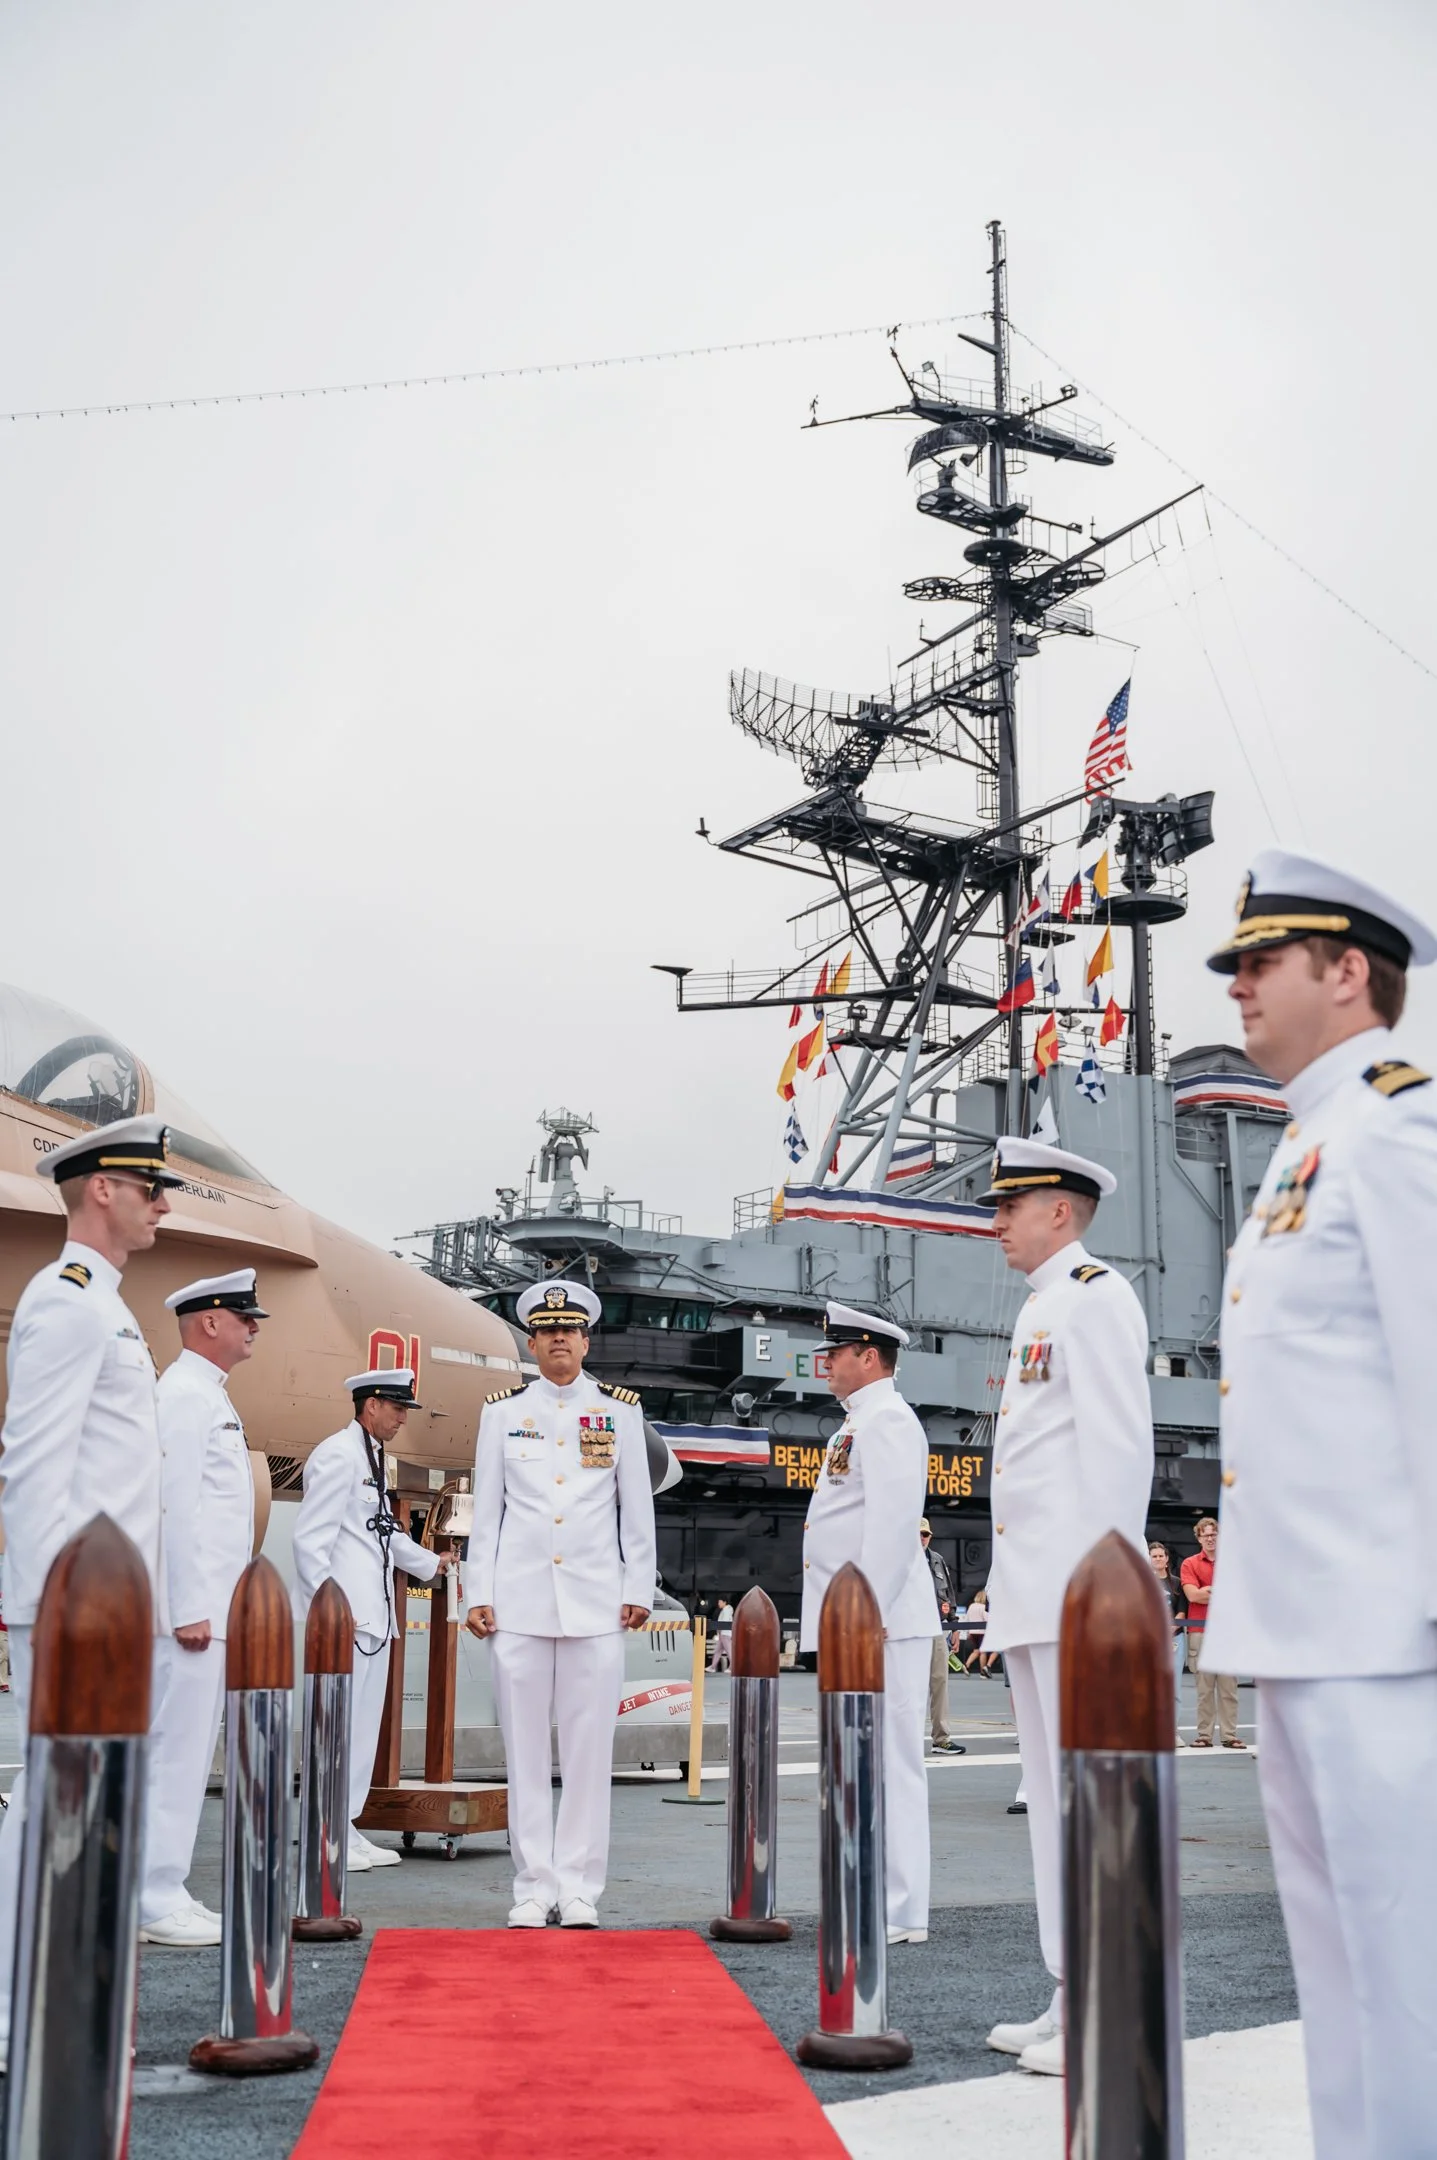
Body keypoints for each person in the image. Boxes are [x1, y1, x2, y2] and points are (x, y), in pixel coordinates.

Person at [1202, 848, 1437, 2160]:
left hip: (1380, 1639)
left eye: (1260, 961)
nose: (1237, 985)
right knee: (1337, 1976)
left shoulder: (1396, 1126)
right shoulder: (1309, 1141)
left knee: (1406, 1983)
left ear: (1346, 974)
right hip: (1298, 1632)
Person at [0, 1114, 181, 2066]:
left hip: (107, 1606)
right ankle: (9, 2006)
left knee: (86, 1796)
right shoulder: (68, 1298)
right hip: (72, 1609)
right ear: (100, 1189)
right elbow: (31, 1462)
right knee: (48, 1801)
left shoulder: (105, 1301)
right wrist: (36, 1607)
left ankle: (59, 1987)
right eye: (149, 1186)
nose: (161, 1202)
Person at [976, 1136, 1154, 2079]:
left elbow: (1119, 1452)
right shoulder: (1043, 1308)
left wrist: (1107, 1591)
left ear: (1059, 1210)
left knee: (1088, 1805)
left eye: (1010, 1205)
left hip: (1077, 1598)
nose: (994, 1222)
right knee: (1051, 1804)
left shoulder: (1094, 1298)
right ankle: (1067, 1990)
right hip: (1033, 1596)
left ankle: (1107, 2000)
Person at [465, 1280, 655, 1929]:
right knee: (522, 1751)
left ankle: (577, 1886)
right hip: (518, 1604)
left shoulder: (620, 1412)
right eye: (547, 1331)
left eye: (568, 1330)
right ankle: (531, 1883)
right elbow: (484, 1514)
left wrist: (637, 1588)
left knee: (587, 1752)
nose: (558, 1339)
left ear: (585, 1339)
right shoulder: (500, 1413)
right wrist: (476, 1592)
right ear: (532, 1340)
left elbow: (636, 1510)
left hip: (596, 1603)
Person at [800, 1301, 939, 1945]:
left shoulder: (887, 1421)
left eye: (836, 1352)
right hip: (856, 1623)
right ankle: (870, 1893)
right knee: (860, 1762)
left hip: (879, 1624)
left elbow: (892, 1528)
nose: (824, 1362)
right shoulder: (855, 1424)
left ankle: (903, 1908)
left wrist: (866, 1614)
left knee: (893, 1763)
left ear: (869, 1356)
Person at [138, 1269, 267, 1947]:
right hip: (188, 1617)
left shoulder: (204, 1394)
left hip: (207, 1611)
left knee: (186, 1753)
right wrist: (190, 1606)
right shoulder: (185, 1396)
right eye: (245, 1317)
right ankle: (153, 1897)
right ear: (209, 1321)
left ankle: (164, 1887)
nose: (253, 1328)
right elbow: (173, 1507)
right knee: (174, 1753)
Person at [292, 1366, 443, 1873]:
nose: (403, 1419)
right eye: (397, 1408)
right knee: (334, 1729)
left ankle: (343, 1827)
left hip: (371, 1619)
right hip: (345, 1619)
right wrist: (327, 1610)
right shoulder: (338, 1454)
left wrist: (431, 1564)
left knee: (359, 1733)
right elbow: (309, 1540)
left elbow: (380, 1533)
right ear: (370, 1404)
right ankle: (321, 1832)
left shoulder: (371, 1457)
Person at [1180, 1518, 1241, 1748]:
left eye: (1213, 1534)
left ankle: (1229, 1735)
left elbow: (1235, 1594)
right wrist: (1219, 1591)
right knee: (1204, 1689)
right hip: (1200, 1629)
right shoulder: (1189, 1563)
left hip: (1226, 1630)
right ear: (1198, 1538)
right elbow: (1193, 1596)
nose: (1210, 1539)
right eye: (1205, 1535)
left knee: (1229, 1688)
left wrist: (1207, 1590)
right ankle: (1204, 1735)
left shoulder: (1231, 1563)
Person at [921, 1521, 965, 1753]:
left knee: (940, 1681)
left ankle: (942, 1738)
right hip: (911, 1629)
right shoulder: (902, 1560)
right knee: (909, 1686)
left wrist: (954, 1626)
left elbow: (948, 1593)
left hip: (936, 1626)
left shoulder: (936, 1560)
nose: (922, 1538)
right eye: (918, 1534)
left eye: (925, 1534)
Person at [1147, 1539, 1189, 1747]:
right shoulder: (1144, 1582)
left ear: (1166, 1559)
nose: (1157, 1559)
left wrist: (1171, 1629)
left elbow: (1182, 1610)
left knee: (1174, 1687)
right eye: (1154, 1556)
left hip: (1175, 1639)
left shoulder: (1177, 1582)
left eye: (1160, 1556)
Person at [712, 1597, 735, 1672]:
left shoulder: (726, 1610)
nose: (718, 1603)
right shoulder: (726, 1610)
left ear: (724, 1602)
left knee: (729, 1651)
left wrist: (719, 1630)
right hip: (723, 1633)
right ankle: (712, 1667)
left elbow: (723, 1622)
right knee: (718, 1651)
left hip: (725, 1633)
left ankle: (732, 1667)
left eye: (720, 1602)